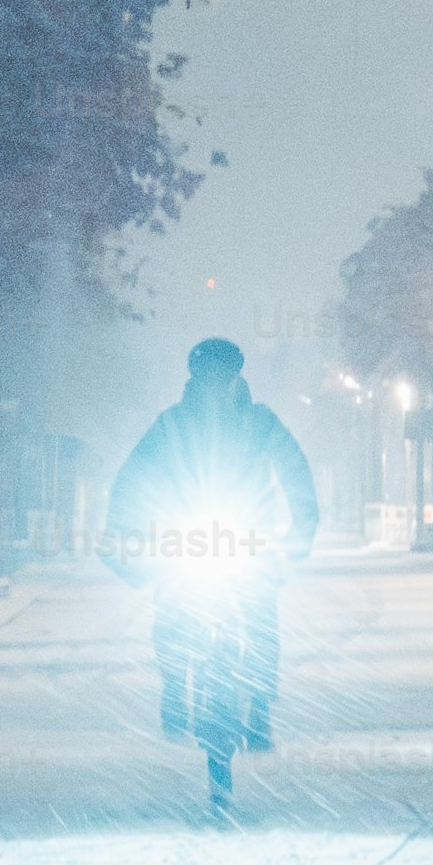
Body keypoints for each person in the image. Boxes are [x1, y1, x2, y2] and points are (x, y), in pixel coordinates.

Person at [101, 338, 319, 802]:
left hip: (247, 540)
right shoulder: (172, 424)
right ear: (196, 379)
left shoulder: (260, 422)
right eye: (209, 376)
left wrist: (300, 529)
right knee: (173, 608)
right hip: (189, 538)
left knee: (260, 615)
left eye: (225, 375)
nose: (218, 384)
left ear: (237, 377)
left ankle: (258, 703)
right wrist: (120, 532)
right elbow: (132, 479)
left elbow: (294, 471)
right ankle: (176, 685)